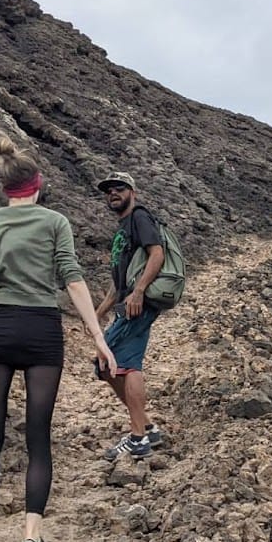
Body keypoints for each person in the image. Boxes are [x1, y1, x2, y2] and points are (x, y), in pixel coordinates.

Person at [0, 136, 117, 542]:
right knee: (38, 436)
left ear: (5, 187)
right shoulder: (54, 222)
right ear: (37, 184)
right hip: (41, 330)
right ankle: (32, 540)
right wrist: (98, 337)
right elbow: (71, 277)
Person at [94, 171, 167, 460]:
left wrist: (138, 292)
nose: (113, 193)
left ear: (132, 191)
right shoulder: (124, 226)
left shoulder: (139, 217)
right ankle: (147, 427)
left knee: (121, 364)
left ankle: (139, 437)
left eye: (119, 188)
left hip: (139, 303)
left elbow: (157, 254)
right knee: (107, 364)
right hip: (128, 302)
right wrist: (99, 312)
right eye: (109, 190)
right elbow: (119, 278)